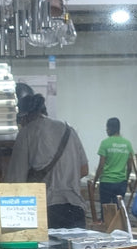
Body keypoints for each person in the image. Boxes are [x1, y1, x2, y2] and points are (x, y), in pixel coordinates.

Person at [6, 92, 89, 229]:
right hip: (75, 208)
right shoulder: (69, 129)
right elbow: (84, 169)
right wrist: (65, 181)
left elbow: (15, 181)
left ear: (23, 117)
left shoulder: (27, 133)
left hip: (46, 209)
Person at [94, 117, 134, 208]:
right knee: (119, 210)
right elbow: (130, 166)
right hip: (121, 182)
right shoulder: (127, 144)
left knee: (106, 210)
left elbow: (101, 165)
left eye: (107, 128)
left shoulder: (105, 143)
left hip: (106, 182)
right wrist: (126, 179)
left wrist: (95, 181)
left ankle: (106, 222)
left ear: (110, 128)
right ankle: (118, 222)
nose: (106, 130)